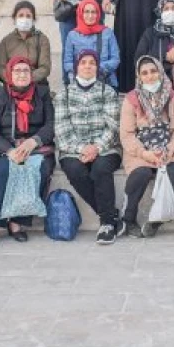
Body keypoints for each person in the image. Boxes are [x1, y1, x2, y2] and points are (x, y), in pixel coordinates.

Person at [0, 57, 56, 247]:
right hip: (6, 147)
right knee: (2, 170)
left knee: (40, 169)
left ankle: (17, 222)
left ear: (31, 75)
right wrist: (9, 150)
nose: (22, 74)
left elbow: (50, 124)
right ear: (9, 75)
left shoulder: (43, 93)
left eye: (25, 71)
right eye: (17, 71)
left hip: (35, 147)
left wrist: (33, 141)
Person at [54, 50, 124, 244]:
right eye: (83, 62)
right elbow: (61, 128)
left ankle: (107, 224)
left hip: (106, 148)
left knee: (101, 169)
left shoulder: (107, 92)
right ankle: (110, 214)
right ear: (77, 66)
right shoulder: (64, 94)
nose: (87, 66)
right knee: (75, 170)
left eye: (91, 63)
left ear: (97, 67)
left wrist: (96, 148)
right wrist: (81, 149)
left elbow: (113, 126)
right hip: (73, 149)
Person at [120, 56, 174, 238]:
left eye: (153, 71)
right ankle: (128, 219)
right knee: (140, 174)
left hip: (168, 151)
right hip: (140, 152)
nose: (149, 76)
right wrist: (145, 154)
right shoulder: (131, 99)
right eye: (144, 73)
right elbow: (126, 134)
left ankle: (156, 221)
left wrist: (169, 150)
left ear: (160, 72)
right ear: (139, 77)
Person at [63, 0, 119, 87]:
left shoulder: (107, 33)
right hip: (79, 83)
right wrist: (83, 71)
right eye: (86, 12)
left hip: (104, 82)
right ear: (81, 13)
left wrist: (95, 69)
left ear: (98, 14)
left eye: (93, 12)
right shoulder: (72, 35)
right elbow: (67, 63)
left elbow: (115, 59)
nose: (90, 16)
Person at [0, 1, 52, 88]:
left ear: (33, 20)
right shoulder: (6, 41)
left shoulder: (42, 39)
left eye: (28, 16)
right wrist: (14, 80)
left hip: (35, 86)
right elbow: (1, 68)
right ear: (14, 19)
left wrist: (26, 79)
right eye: (21, 15)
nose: (24, 19)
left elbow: (45, 68)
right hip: (12, 88)